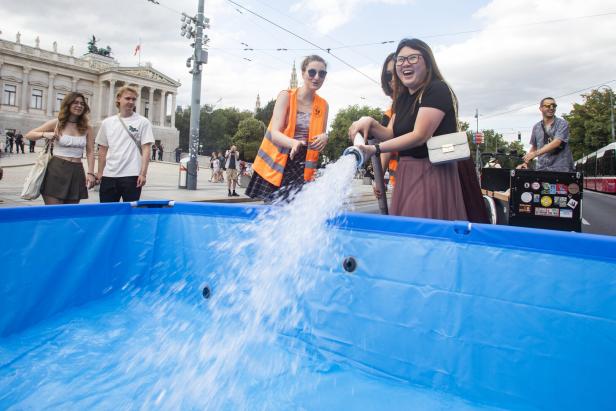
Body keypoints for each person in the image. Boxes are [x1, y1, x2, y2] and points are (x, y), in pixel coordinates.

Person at [349, 38, 467, 220]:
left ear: (427, 63)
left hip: (432, 171)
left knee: (422, 230)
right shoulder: (402, 98)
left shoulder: (436, 89)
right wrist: (369, 122)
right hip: (407, 172)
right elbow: (390, 134)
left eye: (413, 58)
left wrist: (375, 149)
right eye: (401, 59)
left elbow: (420, 135)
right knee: (405, 230)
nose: (405, 63)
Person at [246, 54, 330, 203]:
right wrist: (294, 143)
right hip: (280, 162)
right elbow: (274, 133)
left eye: (322, 73)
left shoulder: (323, 105)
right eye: (312, 72)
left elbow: (320, 139)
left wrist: (325, 137)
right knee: (272, 212)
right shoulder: (286, 96)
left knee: (296, 215)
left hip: (303, 167)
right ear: (303, 73)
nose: (317, 77)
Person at [25, 92, 95, 205]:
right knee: (53, 213)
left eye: (82, 103)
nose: (79, 105)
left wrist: (91, 173)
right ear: (68, 104)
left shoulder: (87, 127)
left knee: (70, 213)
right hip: (56, 169)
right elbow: (29, 135)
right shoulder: (57, 123)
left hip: (77, 171)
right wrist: (44, 134)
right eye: (75, 102)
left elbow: (91, 151)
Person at [96, 85, 154, 202]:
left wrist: (143, 174)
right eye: (127, 98)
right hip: (109, 175)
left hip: (132, 175)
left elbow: (146, 149)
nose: (131, 102)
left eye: (133, 99)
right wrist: (100, 172)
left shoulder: (143, 122)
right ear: (118, 99)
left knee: (130, 213)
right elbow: (102, 149)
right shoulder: (107, 123)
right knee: (108, 213)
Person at [521, 97, 574, 172]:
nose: (551, 108)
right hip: (542, 169)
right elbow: (534, 146)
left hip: (561, 169)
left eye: (554, 106)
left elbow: (557, 142)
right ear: (540, 108)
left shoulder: (562, 123)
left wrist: (535, 154)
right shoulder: (536, 127)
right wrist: (526, 162)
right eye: (547, 106)